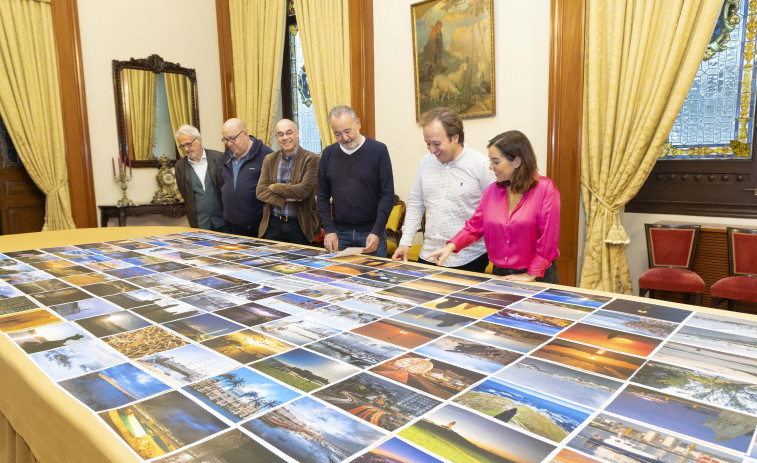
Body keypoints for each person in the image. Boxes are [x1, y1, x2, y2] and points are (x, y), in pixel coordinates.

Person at [427, 130, 560, 284]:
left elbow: (548, 241)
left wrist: (531, 274)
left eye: (496, 162)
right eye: (490, 161)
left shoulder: (545, 189)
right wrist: (450, 246)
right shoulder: (491, 192)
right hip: (500, 274)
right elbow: (474, 227)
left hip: (538, 275)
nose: (491, 167)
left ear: (517, 161)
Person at [392, 107, 494, 272]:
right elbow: (416, 202)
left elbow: (492, 213)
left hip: (468, 258)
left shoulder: (482, 166)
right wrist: (405, 242)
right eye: (427, 144)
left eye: (437, 144)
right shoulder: (426, 162)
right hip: (429, 254)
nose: (432, 150)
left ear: (455, 137)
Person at [317, 105, 394, 257]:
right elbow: (322, 196)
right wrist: (329, 229)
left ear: (358, 123)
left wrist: (377, 230)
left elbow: (387, 195)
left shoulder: (378, 150)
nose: (344, 138)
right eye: (337, 134)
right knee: (341, 279)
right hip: (340, 234)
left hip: (371, 233)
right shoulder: (328, 154)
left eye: (347, 131)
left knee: (374, 279)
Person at [256, 119, 320, 245]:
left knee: (302, 263)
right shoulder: (269, 159)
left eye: (289, 133)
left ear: (297, 133)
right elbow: (260, 192)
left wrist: (274, 187)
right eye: (280, 134)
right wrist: (286, 199)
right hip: (273, 224)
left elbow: (302, 191)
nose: (285, 137)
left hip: (300, 225)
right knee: (271, 263)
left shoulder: (312, 159)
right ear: (276, 137)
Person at [220, 118, 273, 237]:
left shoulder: (266, 155)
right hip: (232, 227)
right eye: (226, 139)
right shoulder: (226, 156)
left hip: (260, 228)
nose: (229, 144)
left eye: (232, 139)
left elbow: (274, 192)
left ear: (245, 133)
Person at [173, 125, 228, 232]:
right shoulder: (180, 167)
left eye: (188, 144)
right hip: (200, 226)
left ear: (199, 139)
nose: (186, 149)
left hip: (225, 223)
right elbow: (185, 193)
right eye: (182, 146)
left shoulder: (219, 158)